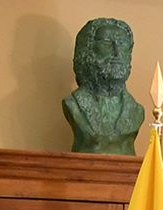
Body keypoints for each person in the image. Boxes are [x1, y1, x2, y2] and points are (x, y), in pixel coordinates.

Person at [62, 17, 145, 156]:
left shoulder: (136, 111)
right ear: (88, 50)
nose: (117, 52)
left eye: (122, 43)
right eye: (106, 42)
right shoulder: (73, 104)